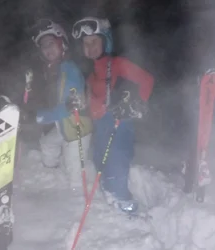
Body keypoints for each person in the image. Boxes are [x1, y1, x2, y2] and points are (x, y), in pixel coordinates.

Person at [72, 17, 154, 214]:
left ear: (106, 41)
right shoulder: (91, 74)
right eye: (85, 43)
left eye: (94, 41)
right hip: (100, 128)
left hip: (119, 125)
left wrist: (134, 103)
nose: (89, 47)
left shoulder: (117, 64)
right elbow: (91, 103)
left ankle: (129, 211)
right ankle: (113, 203)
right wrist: (78, 104)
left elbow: (147, 81)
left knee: (115, 167)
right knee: (101, 164)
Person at [28, 19, 94, 189]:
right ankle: (51, 174)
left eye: (51, 43)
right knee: (47, 144)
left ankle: (77, 199)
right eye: (43, 46)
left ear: (62, 44)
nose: (48, 49)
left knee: (75, 174)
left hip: (77, 129)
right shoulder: (51, 71)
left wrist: (39, 117)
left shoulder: (68, 69)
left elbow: (67, 108)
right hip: (63, 126)